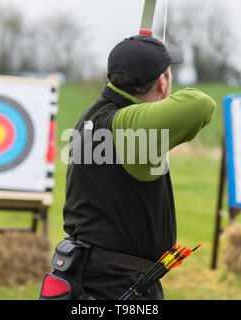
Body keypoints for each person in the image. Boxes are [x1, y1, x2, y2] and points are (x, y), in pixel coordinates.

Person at [40, 34, 216, 300]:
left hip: (89, 273)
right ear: (162, 82)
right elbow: (202, 104)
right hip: (116, 283)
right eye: (168, 75)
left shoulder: (93, 116)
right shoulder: (129, 126)